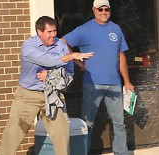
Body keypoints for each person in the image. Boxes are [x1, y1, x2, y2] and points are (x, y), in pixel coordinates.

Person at [0, 16, 93, 155]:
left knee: (62, 134)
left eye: (55, 31)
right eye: (49, 32)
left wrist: (50, 77)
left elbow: (69, 74)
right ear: (39, 31)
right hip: (28, 96)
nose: (54, 35)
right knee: (13, 133)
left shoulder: (60, 45)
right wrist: (72, 56)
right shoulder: (29, 46)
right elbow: (49, 61)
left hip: (53, 95)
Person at [61, 0, 134, 154]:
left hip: (114, 84)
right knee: (87, 123)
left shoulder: (116, 29)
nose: (103, 12)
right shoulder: (85, 29)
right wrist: (78, 61)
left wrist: (127, 82)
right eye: (100, 9)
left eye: (106, 9)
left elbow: (121, 56)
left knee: (119, 123)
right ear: (94, 10)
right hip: (92, 84)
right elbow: (63, 42)